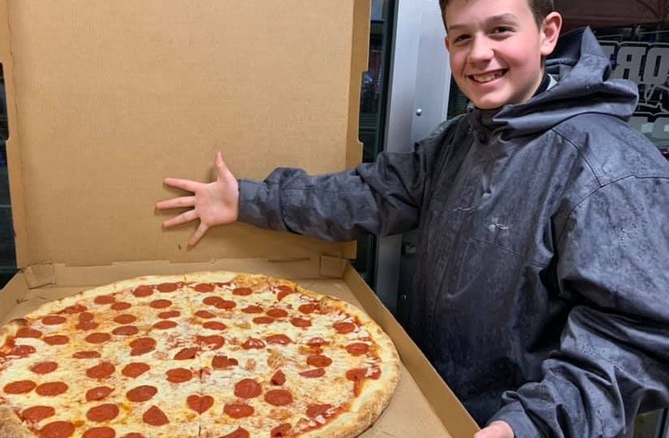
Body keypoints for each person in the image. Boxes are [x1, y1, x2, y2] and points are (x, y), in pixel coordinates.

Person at [156, 0, 669, 436]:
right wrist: (247, 201)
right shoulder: (460, 138)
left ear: (548, 33)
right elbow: (366, 195)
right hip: (435, 399)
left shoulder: (611, 168)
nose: (480, 54)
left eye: (500, 30)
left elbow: (631, 342)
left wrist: (528, 425)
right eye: (461, 37)